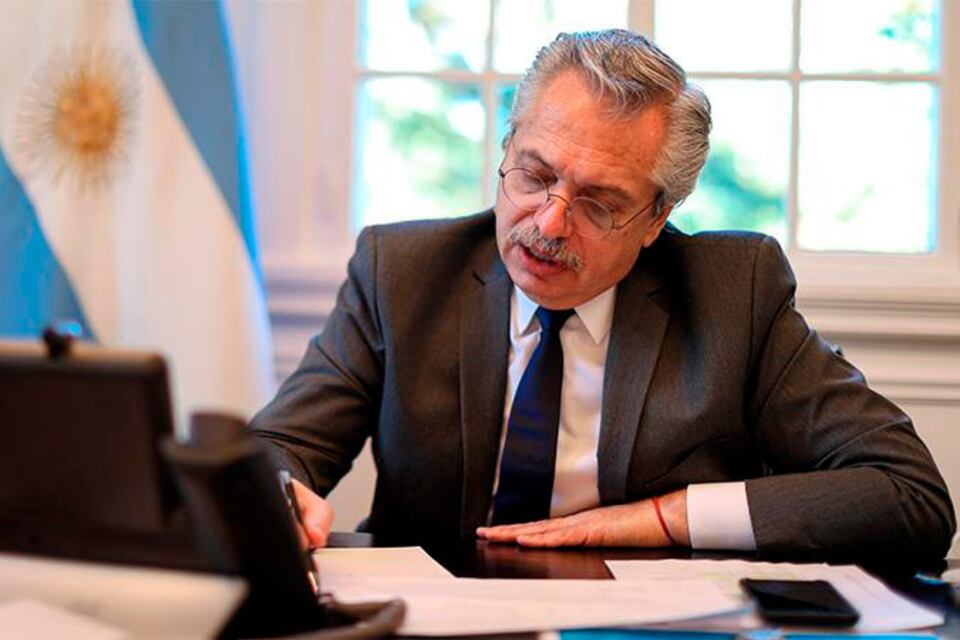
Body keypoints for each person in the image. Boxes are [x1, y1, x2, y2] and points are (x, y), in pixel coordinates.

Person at [252, 29, 954, 561]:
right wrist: (279, 496)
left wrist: (666, 518)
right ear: (507, 147)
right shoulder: (403, 273)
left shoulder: (733, 293)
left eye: (599, 203)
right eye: (534, 176)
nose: (549, 223)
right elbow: (280, 445)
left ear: (655, 219)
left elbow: (909, 495)